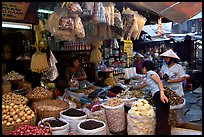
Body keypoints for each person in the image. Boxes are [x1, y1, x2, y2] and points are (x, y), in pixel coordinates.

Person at [132, 60, 171, 135]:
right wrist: (132, 87)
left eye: (142, 68)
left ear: (145, 68)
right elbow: (142, 85)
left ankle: (163, 133)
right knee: (162, 117)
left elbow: (159, 82)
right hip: (158, 95)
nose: (141, 69)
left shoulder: (151, 73)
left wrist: (162, 94)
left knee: (161, 117)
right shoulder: (148, 76)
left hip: (159, 94)